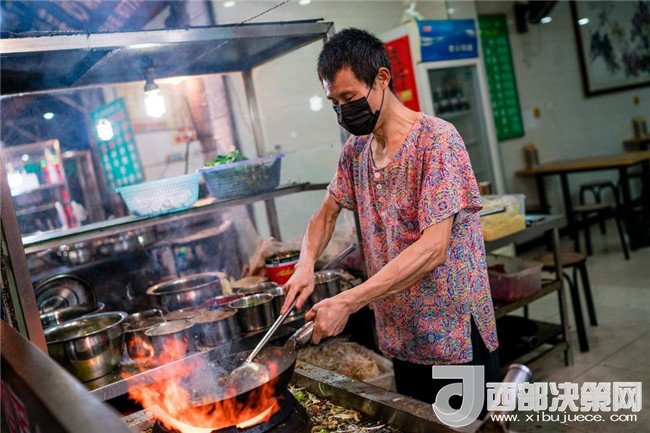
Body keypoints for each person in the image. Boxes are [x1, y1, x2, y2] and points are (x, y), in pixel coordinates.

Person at [281, 28, 500, 408]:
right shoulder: (356, 151)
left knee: (468, 427)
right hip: (401, 332)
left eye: (349, 98)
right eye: (335, 102)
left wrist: (349, 301)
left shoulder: (436, 141)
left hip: (452, 334)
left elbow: (433, 249)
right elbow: (325, 215)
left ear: (382, 78)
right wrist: (305, 264)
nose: (343, 110)